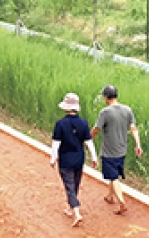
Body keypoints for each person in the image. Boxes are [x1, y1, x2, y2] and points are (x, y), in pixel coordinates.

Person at [91, 85, 143, 215]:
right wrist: (138, 144)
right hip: (122, 150)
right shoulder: (127, 110)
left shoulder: (105, 112)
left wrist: (87, 138)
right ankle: (110, 196)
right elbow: (134, 129)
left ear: (106, 98)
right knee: (113, 174)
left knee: (113, 177)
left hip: (109, 151)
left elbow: (96, 129)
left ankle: (121, 202)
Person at [50, 93, 98, 228]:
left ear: (65, 108)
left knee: (69, 186)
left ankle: (76, 212)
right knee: (75, 184)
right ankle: (70, 208)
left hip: (65, 160)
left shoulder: (60, 124)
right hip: (79, 159)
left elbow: (56, 144)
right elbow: (89, 142)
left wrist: (53, 158)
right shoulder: (83, 123)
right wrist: (94, 158)